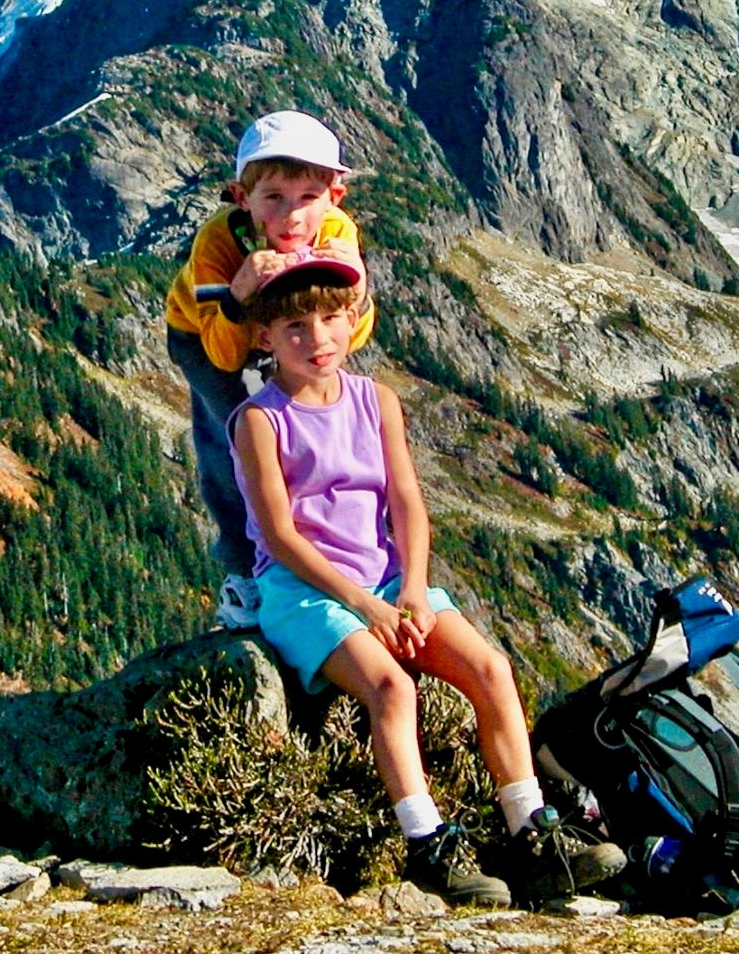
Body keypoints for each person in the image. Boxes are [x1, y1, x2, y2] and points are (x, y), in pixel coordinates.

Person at [229, 269, 625, 907]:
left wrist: (412, 586)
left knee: (492, 669)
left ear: (351, 319)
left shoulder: (374, 399)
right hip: (304, 590)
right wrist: (363, 605)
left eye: (331, 319)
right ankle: (427, 844)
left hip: (387, 578)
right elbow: (279, 536)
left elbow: (407, 499)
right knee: (391, 687)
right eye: (296, 326)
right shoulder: (260, 421)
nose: (318, 338)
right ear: (265, 336)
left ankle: (531, 832)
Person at [163, 111, 370, 629]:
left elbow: (351, 337)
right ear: (241, 198)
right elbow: (222, 356)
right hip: (207, 336)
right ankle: (246, 576)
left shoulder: (339, 233)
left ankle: (325, 560)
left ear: (334, 197)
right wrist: (238, 294)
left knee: (309, 440)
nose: (293, 216)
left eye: (307, 197)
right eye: (273, 197)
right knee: (234, 445)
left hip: (285, 331)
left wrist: (359, 293)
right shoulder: (218, 244)